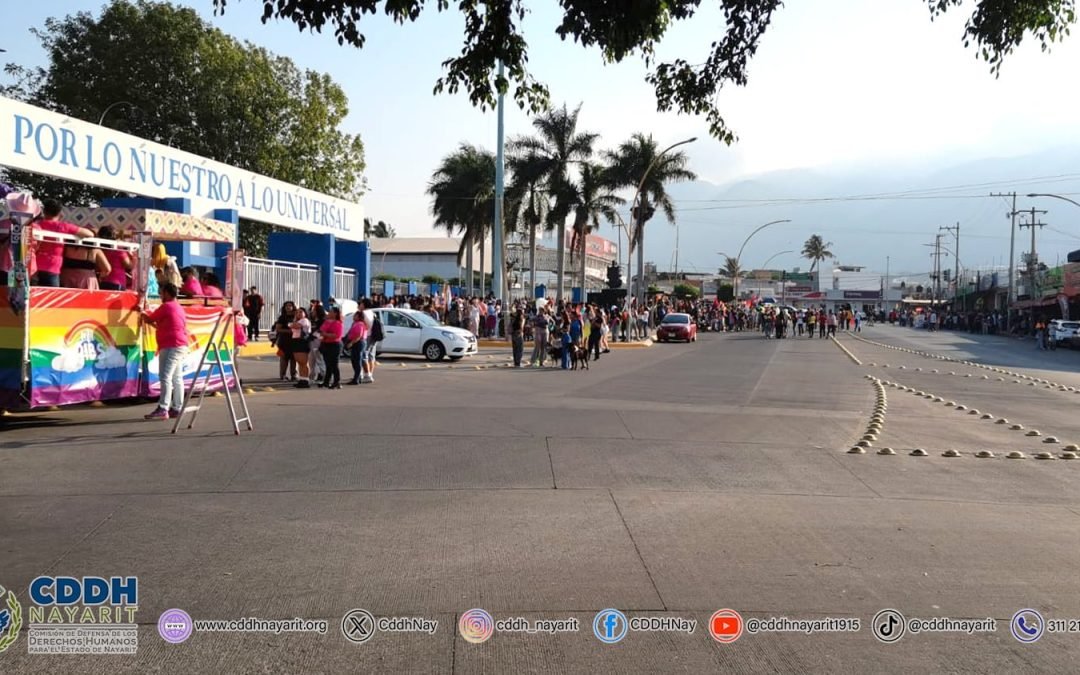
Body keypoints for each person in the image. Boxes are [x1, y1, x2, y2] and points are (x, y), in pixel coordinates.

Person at [140, 282, 188, 420]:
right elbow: (161, 324)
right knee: (176, 378)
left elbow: (150, 318)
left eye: (161, 292)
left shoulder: (166, 306)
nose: (160, 294)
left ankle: (163, 407)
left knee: (165, 377)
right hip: (179, 344)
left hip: (171, 345)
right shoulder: (177, 307)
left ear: (167, 293)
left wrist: (143, 314)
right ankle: (177, 407)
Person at [32, 199, 94, 287]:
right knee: (52, 297)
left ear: (44, 211)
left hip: (34, 266)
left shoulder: (36, 225)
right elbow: (89, 234)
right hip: (52, 267)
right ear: (59, 213)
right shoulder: (64, 226)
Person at [97, 226, 132, 291]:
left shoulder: (99, 249)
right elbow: (128, 265)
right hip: (117, 282)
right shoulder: (118, 249)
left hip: (103, 281)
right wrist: (132, 256)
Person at [318, 307, 344, 389]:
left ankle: (337, 382)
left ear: (335, 313)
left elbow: (336, 335)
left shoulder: (338, 323)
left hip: (335, 345)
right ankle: (326, 381)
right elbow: (321, 331)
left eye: (331, 312)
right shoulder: (326, 322)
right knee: (328, 364)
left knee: (334, 364)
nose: (329, 313)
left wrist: (326, 334)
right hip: (326, 344)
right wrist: (324, 334)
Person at [273, 302, 297, 381]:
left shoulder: (296, 317)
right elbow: (278, 329)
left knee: (294, 358)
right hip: (284, 341)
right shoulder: (282, 317)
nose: (288, 307)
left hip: (294, 340)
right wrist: (289, 331)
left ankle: (294, 375)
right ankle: (282, 375)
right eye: (287, 306)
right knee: (284, 358)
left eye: (290, 306)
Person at [289, 307, 312, 387]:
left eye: (301, 312)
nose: (299, 314)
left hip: (302, 341)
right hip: (295, 341)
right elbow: (293, 325)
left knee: (303, 362)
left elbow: (296, 326)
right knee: (299, 361)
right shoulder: (297, 320)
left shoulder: (305, 320)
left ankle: (306, 380)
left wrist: (291, 324)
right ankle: (301, 379)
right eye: (297, 312)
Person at [344, 310, 368, 384]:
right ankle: (357, 377)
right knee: (354, 360)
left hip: (358, 343)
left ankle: (356, 378)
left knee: (357, 360)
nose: (353, 317)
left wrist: (351, 343)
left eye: (355, 315)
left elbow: (359, 335)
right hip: (356, 342)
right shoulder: (355, 323)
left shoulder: (360, 324)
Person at [360, 297, 378, 383]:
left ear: (364, 304)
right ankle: (370, 373)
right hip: (374, 335)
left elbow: (361, 325)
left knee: (364, 355)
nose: (359, 305)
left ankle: (367, 375)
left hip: (366, 336)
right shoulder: (372, 312)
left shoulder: (363, 313)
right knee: (371, 356)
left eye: (360, 303)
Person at [509, 303, 525, 367]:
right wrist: (521, 332)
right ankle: (518, 363)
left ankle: (516, 362)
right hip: (518, 333)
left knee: (515, 349)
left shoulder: (513, 318)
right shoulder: (520, 319)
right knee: (520, 349)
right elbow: (521, 327)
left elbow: (511, 313)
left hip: (513, 334)